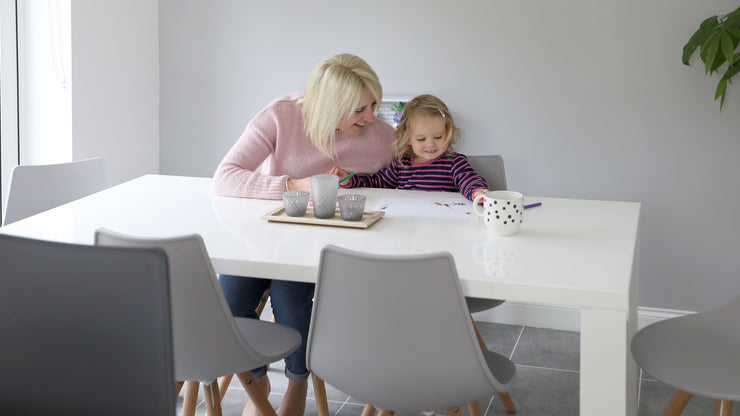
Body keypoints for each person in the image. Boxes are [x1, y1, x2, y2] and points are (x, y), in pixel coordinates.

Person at [212, 54, 394, 416]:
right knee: (229, 301)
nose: (371, 117)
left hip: (327, 248)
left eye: (374, 104)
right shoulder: (282, 115)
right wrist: (294, 185)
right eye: (359, 109)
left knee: (291, 300)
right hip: (266, 238)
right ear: (329, 105)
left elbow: (419, 172)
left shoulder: (382, 137)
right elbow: (226, 176)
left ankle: (297, 384)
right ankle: (256, 381)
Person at [333, 94, 489, 201]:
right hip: (409, 225)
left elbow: (469, 180)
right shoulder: (402, 164)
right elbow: (378, 182)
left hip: (442, 223)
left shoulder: (454, 162)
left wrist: (477, 192)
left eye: (438, 137)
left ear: (448, 133)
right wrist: (349, 180)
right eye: (421, 139)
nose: (430, 144)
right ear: (408, 138)